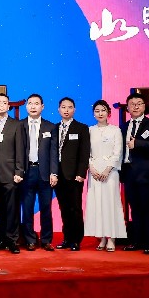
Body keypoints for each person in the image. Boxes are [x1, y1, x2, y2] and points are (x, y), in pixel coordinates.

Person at [120, 94, 149, 254]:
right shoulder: (124, 126)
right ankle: (137, 241)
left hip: (146, 174)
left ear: (144, 107)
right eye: (132, 104)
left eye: (139, 103)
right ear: (127, 107)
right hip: (129, 174)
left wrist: (138, 143)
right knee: (135, 209)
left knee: (148, 208)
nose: (136, 106)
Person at [14, 94, 58, 251]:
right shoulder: (19, 125)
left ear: (42, 107)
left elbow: (54, 152)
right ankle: (30, 239)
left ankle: (46, 240)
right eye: (30, 103)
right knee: (27, 208)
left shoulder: (50, 127)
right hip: (26, 172)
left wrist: (54, 172)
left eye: (36, 103)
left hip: (45, 173)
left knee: (46, 208)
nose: (33, 106)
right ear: (26, 106)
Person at [83, 100, 125, 252]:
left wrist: (108, 169)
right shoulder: (89, 130)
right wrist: (91, 168)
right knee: (97, 203)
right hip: (94, 171)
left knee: (110, 203)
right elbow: (85, 152)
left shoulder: (115, 130)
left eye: (103, 110)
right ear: (93, 114)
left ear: (109, 113)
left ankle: (112, 238)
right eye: (97, 111)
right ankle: (101, 237)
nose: (100, 113)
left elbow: (118, 152)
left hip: (110, 172)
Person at [53, 97, 90, 251]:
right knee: (64, 208)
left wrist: (81, 173)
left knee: (75, 208)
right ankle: (67, 238)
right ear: (58, 109)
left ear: (74, 109)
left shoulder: (81, 128)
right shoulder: (54, 128)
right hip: (58, 174)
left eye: (69, 107)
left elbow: (84, 153)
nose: (66, 110)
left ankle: (76, 240)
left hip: (74, 175)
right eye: (63, 107)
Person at [0, 93, 20, 253]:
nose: (1, 105)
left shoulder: (16, 124)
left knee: (12, 209)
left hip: (10, 174)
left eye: (4, 103)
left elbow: (20, 149)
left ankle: (13, 240)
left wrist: (19, 171)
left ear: (8, 106)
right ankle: (2, 238)